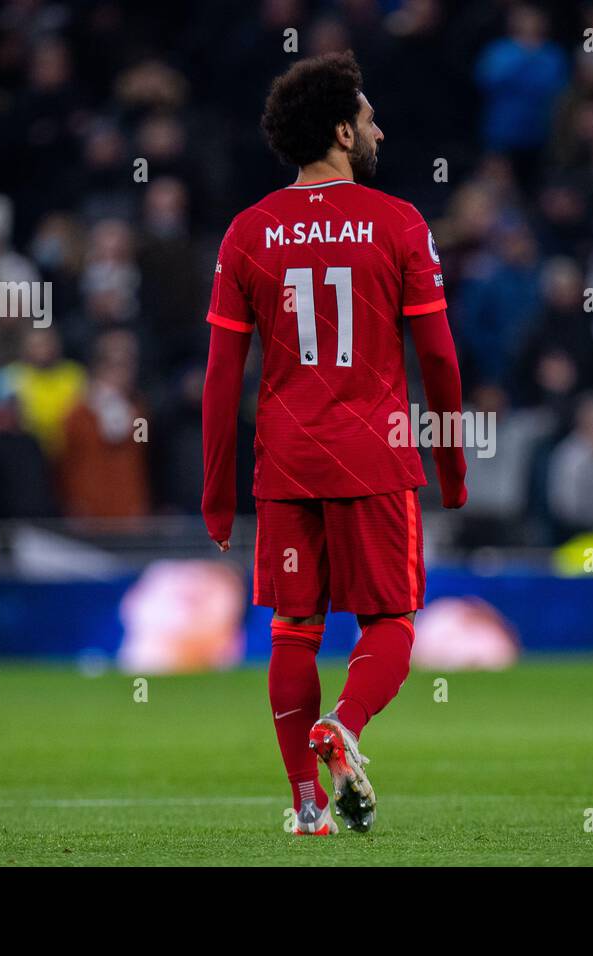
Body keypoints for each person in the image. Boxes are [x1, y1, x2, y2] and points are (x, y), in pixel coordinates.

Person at [200, 52, 467, 836]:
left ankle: (306, 805)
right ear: (343, 131)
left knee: (292, 630)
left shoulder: (248, 232)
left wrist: (216, 496)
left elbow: (221, 380)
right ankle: (344, 727)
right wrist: (450, 465)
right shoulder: (400, 223)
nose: (379, 127)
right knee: (390, 623)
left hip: (286, 463)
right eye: (370, 115)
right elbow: (442, 359)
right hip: (376, 457)